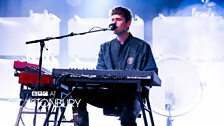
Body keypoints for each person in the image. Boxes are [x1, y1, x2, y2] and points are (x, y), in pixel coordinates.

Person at [72, 6, 158, 126]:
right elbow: (100, 72)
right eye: (112, 20)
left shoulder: (142, 47)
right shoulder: (105, 48)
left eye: (118, 19)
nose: (114, 22)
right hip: (109, 93)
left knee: (126, 117)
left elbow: (151, 72)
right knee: (78, 92)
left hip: (132, 96)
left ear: (128, 23)